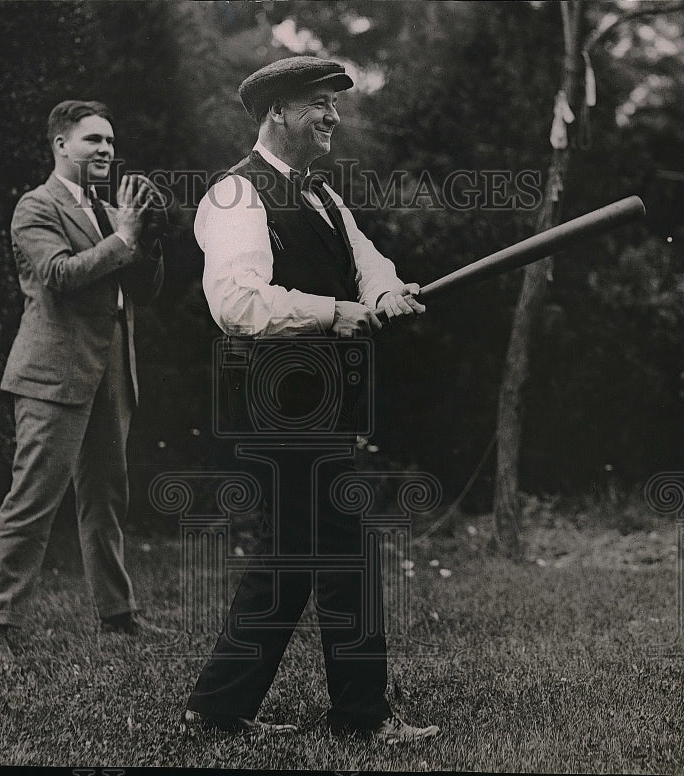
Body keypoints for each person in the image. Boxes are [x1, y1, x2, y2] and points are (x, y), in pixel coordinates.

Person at [182, 56, 439, 744]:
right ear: (278, 114)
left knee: (295, 554)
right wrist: (332, 313)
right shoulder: (236, 196)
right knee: (339, 549)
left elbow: (367, 258)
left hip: (325, 402)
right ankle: (361, 717)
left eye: (335, 104)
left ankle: (218, 708)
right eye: (319, 104)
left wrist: (384, 291)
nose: (333, 117)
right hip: (277, 402)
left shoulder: (323, 197)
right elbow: (235, 303)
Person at [0, 100, 165, 660]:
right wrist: (124, 238)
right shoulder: (35, 206)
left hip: (111, 374)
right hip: (52, 375)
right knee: (33, 499)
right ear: (61, 145)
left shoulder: (112, 211)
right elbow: (58, 276)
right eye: (92, 140)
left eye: (109, 140)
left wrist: (148, 240)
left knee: (107, 498)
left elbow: (144, 293)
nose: (105, 149)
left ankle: (117, 615)